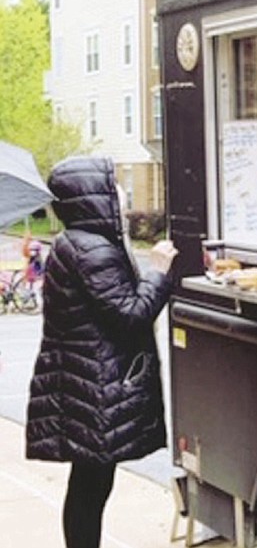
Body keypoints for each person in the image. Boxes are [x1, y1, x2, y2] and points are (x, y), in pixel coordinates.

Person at [25, 155, 178, 548]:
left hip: (79, 376)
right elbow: (130, 314)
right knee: (92, 484)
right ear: (93, 198)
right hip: (92, 381)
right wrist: (159, 273)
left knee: (89, 481)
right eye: (116, 196)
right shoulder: (94, 250)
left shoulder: (73, 242)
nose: (123, 206)